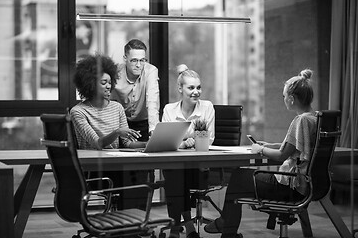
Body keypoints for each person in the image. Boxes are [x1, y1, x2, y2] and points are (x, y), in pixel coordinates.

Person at [204, 69, 317, 238]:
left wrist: (261, 149)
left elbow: (281, 156)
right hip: (308, 185)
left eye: (284, 96)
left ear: (292, 99)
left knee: (237, 178)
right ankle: (226, 225)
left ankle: (226, 228)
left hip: (290, 187)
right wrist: (271, 144)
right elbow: (296, 147)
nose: (284, 99)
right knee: (241, 178)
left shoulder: (299, 120)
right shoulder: (314, 118)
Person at [70, 53, 148, 209]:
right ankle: (129, 224)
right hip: (96, 170)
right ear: (90, 84)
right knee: (132, 176)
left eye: (109, 81)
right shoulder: (78, 112)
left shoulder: (116, 107)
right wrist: (118, 132)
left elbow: (127, 144)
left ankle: (133, 224)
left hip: (118, 165)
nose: (108, 86)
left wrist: (148, 143)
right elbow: (98, 144)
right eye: (103, 82)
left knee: (139, 171)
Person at [162, 64, 215, 238]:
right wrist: (184, 144)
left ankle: (176, 227)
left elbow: (209, 138)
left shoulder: (206, 108)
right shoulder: (169, 110)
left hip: (199, 166)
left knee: (176, 175)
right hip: (176, 165)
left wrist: (190, 143)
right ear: (180, 88)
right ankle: (187, 225)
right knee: (175, 173)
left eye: (198, 87)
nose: (196, 92)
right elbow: (167, 140)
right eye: (191, 87)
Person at [110, 39, 160, 142]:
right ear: (125, 58)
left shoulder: (151, 71)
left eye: (142, 60)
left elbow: (152, 102)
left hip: (145, 124)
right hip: (120, 125)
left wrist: (154, 130)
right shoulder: (115, 73)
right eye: (134, 60)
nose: (138, 65)